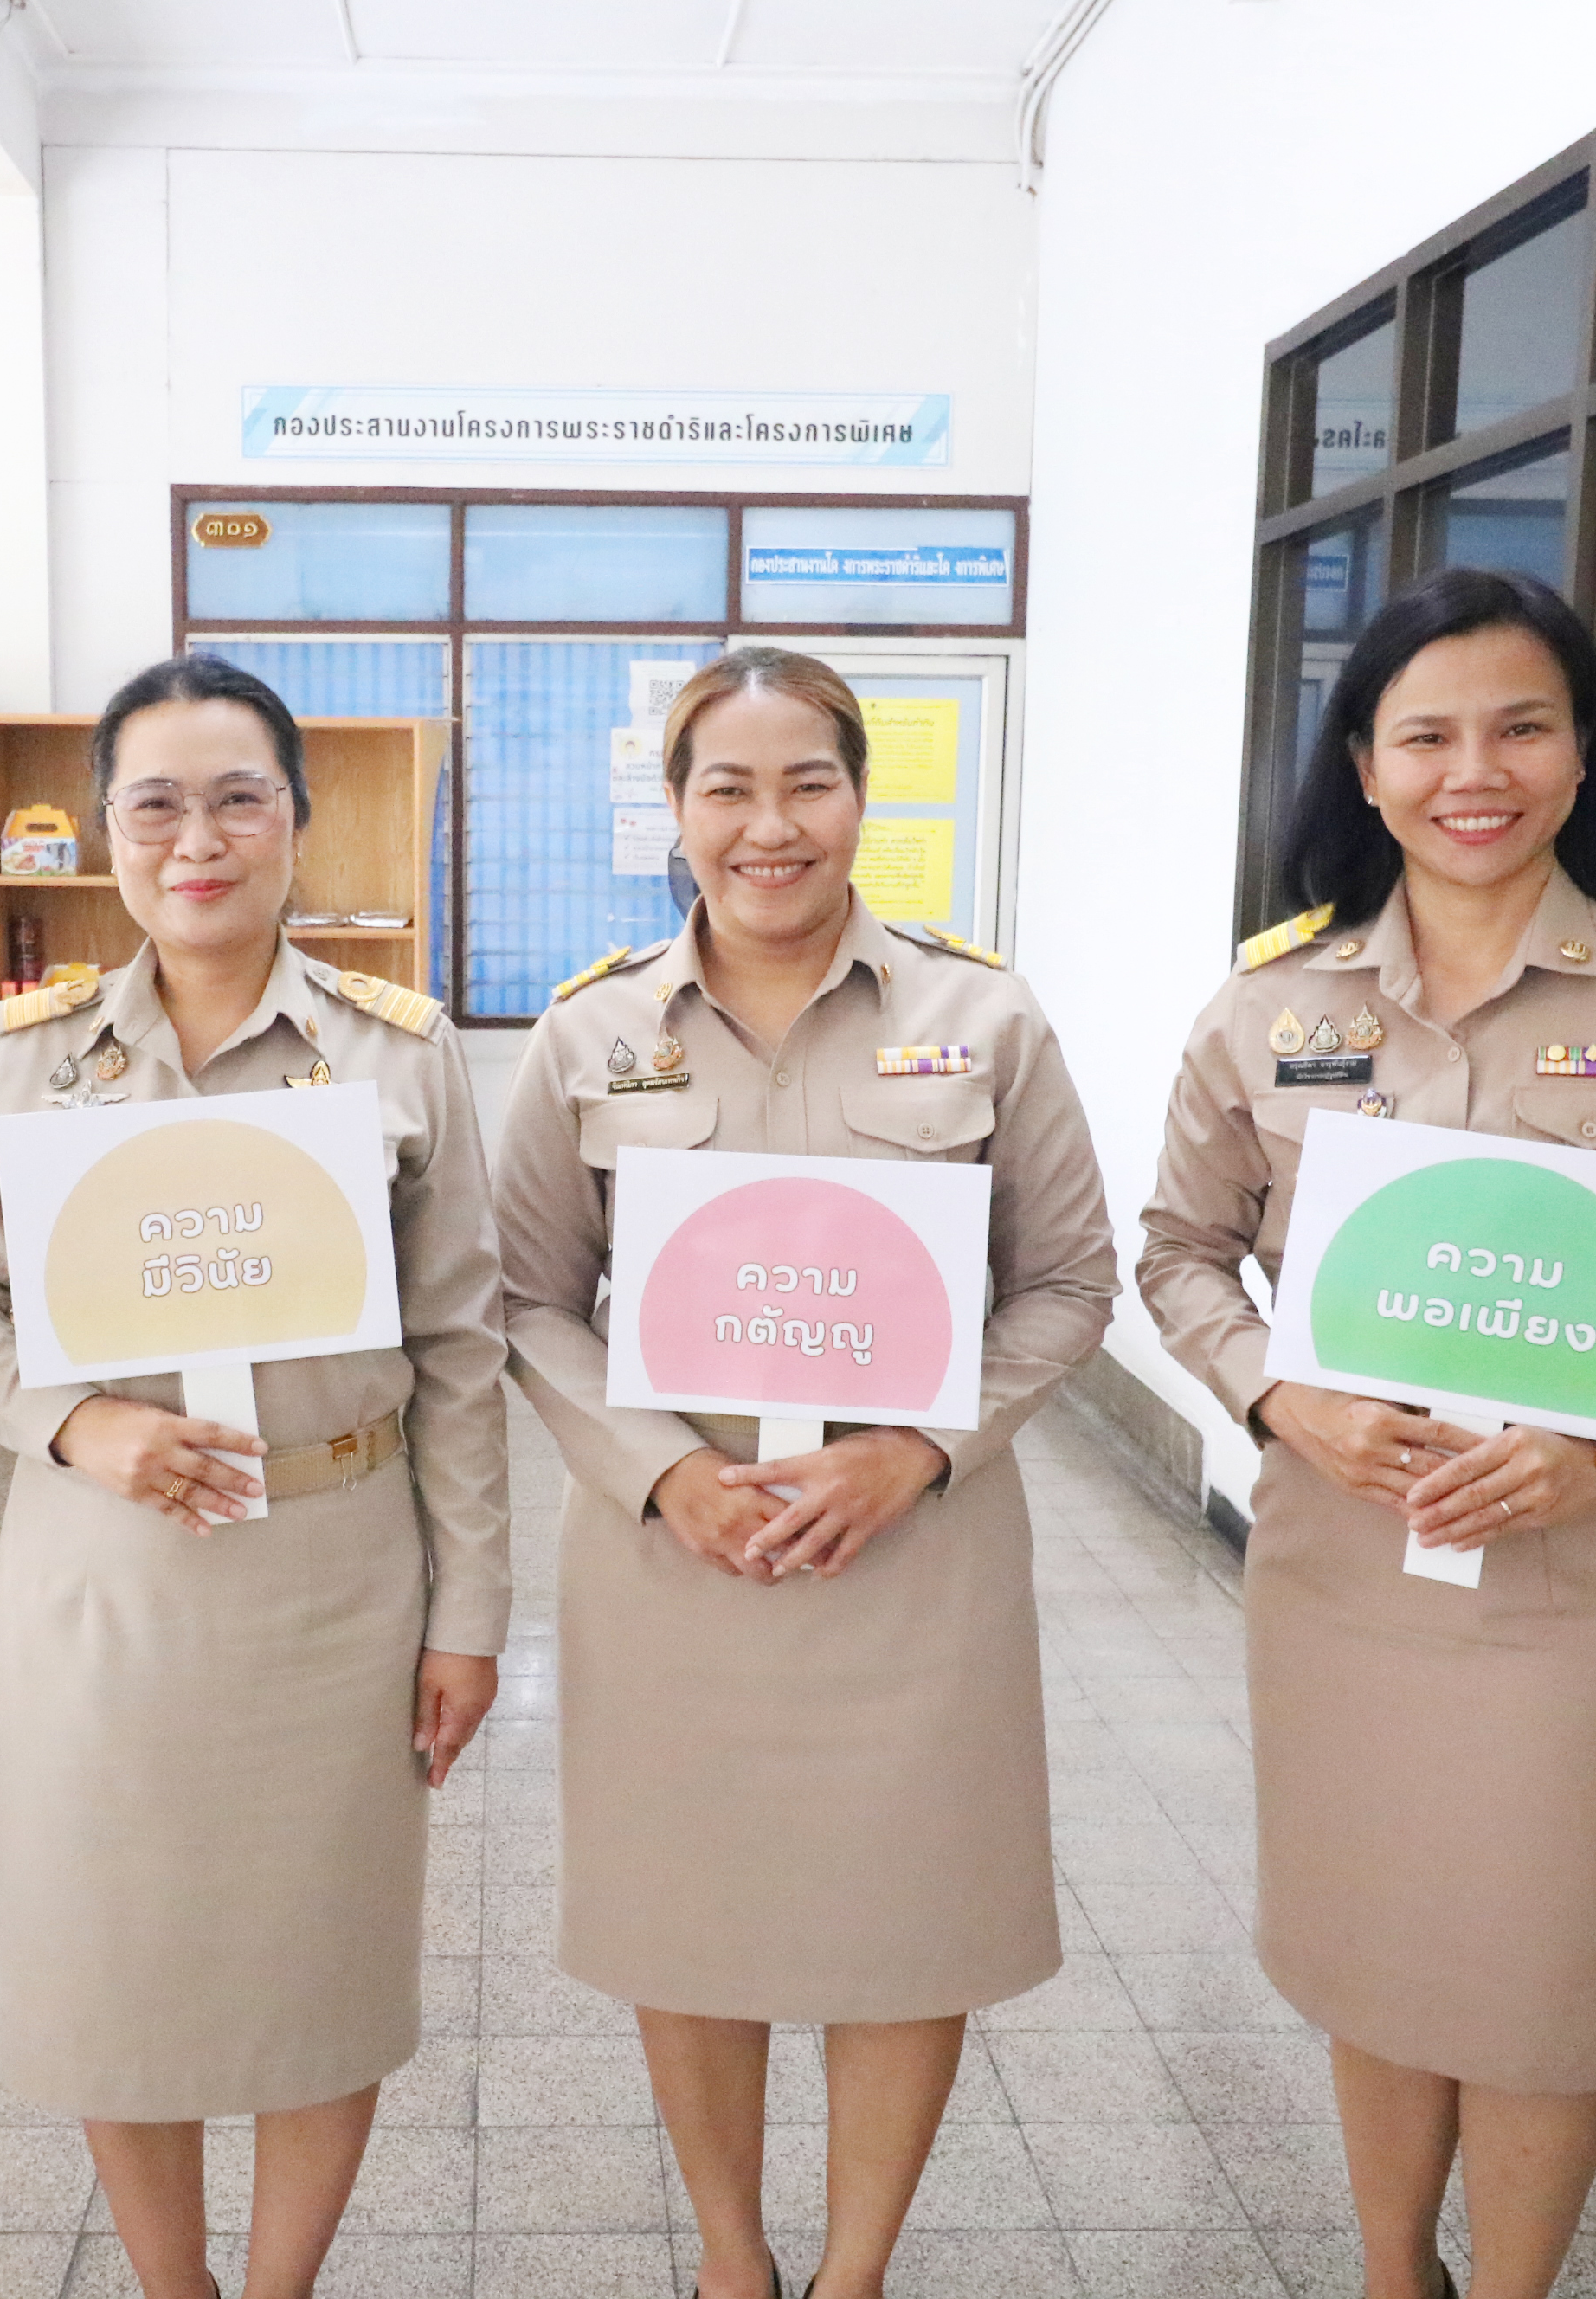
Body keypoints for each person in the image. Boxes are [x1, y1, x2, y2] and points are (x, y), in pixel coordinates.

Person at [1136, 566, 1596, 2299]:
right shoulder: (1270, 1005)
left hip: (1578, 1590)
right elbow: (1176, 1252)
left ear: (1585, 756)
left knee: (1543, 1984)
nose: (1479, 768)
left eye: (1524, 725)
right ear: (1365, 768)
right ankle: (1395, 2273)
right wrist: (1275, 1389)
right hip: (1346, 1580)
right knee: (1379, 1952)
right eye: (1429, 732)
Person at [498, 647, 1118, 2299]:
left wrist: (920, 1449)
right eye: (728, 787)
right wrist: (658, 1477)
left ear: (862, 796)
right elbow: (523, 1298)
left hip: (912, 1560)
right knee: (685, 1919)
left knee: (904, 1922)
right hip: (672, 1564)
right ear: (675, 812)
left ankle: (853, 2275)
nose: (770, 826)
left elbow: (1069, 1281)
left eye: (808, 783)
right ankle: (730, 2261)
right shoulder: (589, 1032)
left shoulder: (980, 1017)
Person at [0, 654, 506, 2299]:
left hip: (336, 1570)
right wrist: (79, 1425)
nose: (200, 838)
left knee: (320, 1954)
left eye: (241, 797)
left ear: (299, 822)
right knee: (120, 1955)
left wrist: (470, 1621)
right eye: (155, 803)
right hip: (106, 1574)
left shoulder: (398, 1049)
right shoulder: (36, 1056)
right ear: (105, 832)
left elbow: (463, 1349)